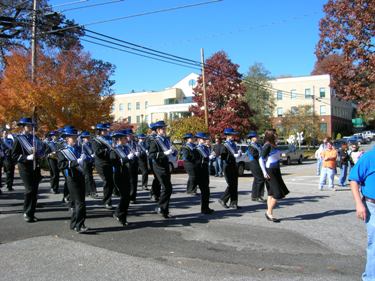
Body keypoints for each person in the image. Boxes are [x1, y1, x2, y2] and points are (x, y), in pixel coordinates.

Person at [11, 117, 45, 222]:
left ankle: (31, 213)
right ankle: (26, 211)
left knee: (34, 191)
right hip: (24, 167)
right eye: (28, 126)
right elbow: (14, 155)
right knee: (29, 189)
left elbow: (41, 150)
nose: (30, 127)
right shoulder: (18, 139)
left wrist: (38, 152)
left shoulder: (35, 138)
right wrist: (26, 157)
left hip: (35, 166)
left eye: (31, 126)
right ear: (23, 127)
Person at [348, 146, 375, 280]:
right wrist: (359, 204)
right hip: (372, 206)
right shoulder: (370, 157)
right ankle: (370, 277)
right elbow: (354, 180)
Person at [57, 127, 89, 233]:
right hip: (71, 178)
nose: (74, 138)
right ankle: (80, 225)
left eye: (75, 136)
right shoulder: (63, 151)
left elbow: (85, 160)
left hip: (80, 176)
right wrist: (76, 162)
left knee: (79, 202)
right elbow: (61, 165)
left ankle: (74, 223)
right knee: (80, 203)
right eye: (72, 137)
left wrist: (86, 158)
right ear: (67, 138)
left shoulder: (80, 148)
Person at [259, 129, 289, 222]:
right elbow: (261, 159)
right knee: (278, 194)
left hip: (276, 170)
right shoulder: (267, 145)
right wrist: (264, 172)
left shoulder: (273, 145)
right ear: (271, 135)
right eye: (275, 134)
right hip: (270, 171)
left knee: (271, 193)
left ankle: (269, 213)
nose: (277, 135)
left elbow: (275, 156)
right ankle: (268, 212)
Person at [148, 121, 176, 218]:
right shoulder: (154, 141)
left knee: (168, 188)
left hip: (165, 165)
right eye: (162, 128)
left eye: (164, 128)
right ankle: (162, 209)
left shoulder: (166, 140)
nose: (164, 130)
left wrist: (173, 152)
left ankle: (163, 209)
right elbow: (151, 155)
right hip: (159, 166)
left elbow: (169, 152)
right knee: (166, 188)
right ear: (157, 130)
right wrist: (164, 153)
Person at [110, 131, 131, 226]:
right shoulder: (114, 150)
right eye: (124, 138)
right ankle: (121, 217)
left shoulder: (126, 148)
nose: (126, 139)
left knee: (127, 197)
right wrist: (127, 158)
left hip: (126, 174)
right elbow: (114, 163)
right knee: (124, 196)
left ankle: (118, 213)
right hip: (118, 175)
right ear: (119, 140)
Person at [218, 128, 242, 209]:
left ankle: (233, 203)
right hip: (227, 166)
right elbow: (223, 156)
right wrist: (231, 156)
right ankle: (223, 199)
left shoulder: (233, 144)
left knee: (235, 185)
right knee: (231, 184)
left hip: (234, 165)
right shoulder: (224, 145)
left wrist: (239, 154)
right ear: (228, 136)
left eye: (233, 135)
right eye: (232, 135)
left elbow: (235, 154)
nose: (233, 136)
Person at [92, 123, 115, 209]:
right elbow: (98, 152)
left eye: (106, 130)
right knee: (107, 181)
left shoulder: (109, 138)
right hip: (101, 164)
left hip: (109, 162)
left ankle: (107, 199)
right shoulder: (95, 141)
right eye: (104, 130)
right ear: (99, 131)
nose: (106, 131)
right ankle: (107, 201)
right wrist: (108, 150)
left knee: (110, 182)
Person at [194, 132, 214, 214]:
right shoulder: (197, 149)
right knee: (204, 190)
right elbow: (201, 159)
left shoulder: (205, 147)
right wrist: (209, 157)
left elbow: (207, 157)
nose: (205, 140)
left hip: (205, 170)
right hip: (200, 170)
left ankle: (206, 207)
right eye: (203, 139)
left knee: (206, 190)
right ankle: (204, 208)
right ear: (199, 140)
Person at [246, 131, 266, 202]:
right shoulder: (250, 146)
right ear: (252, 138)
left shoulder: (258, 145)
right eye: (256, 137)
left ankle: (254, 196)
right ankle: (258, 196)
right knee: (260, 179)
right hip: (254, 163)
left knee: (256, 179)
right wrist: (262, 155)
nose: (257, 138)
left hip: (259, 162)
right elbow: (254, 155)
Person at [80, 131, 98, 198]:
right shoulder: (82, 145)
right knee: (88, 177)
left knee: (88, 177)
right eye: (86, 137)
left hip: (90, 162)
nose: (87, 138)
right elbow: (83, 155)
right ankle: (93, 192)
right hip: (85, 162)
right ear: (83, 138)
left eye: (88, 137)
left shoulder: (90, 144)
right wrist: (91, 156)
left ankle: (87, 192)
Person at [125, 128, 140, 204]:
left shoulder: (134, 143)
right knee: (127, 181)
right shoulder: (124, 144)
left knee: (134, 181)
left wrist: (138, 153)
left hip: (134, 163)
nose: (130, 136)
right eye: (128, 135)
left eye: (131, 135)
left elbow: (138, 150)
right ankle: (127, 196)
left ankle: (133, 197)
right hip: (127, 164)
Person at [0, 128, 15, 192]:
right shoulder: (0, 140)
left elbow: (12, 147)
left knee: (9, 172)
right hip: (1, 157)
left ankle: (9, 185)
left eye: (6, 133)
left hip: (8, 157)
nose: (5, 134)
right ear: (1, 134)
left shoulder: (10, 140)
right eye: (3, 133)